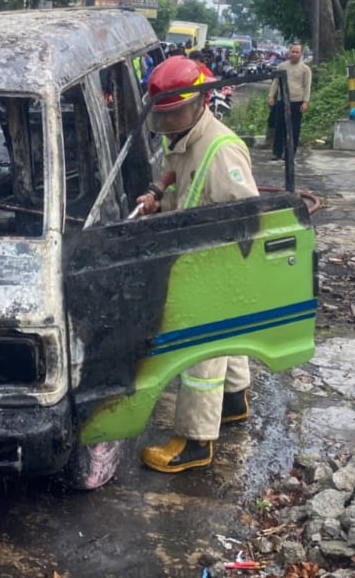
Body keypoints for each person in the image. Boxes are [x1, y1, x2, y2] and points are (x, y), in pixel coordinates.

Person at [134, 56, 258, 473]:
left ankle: (195, 440)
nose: (169, 124)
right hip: (199, 259)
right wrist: (157, 196)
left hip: (214, 265)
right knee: (228, 338)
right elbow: (181, 178)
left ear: (201, 101)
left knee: (200, 353)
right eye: (163, 116)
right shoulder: (186, 137)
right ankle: (235, 401)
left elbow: (246, 215)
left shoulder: (222, 150)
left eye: (176, 114)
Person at [266, 43, 312, 161]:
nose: (294, 54)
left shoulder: (305, 69)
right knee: (279, 127)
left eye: (297, 52)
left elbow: (307, 87)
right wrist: (271, 96)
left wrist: (305, 102)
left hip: (297, 102)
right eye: (293, 51)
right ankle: (277, 152)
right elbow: (276, 82)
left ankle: (290, 153)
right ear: (289, 52)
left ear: (301, 54)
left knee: (294, 129)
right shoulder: (282, 66)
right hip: (282, 101)